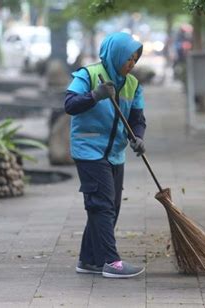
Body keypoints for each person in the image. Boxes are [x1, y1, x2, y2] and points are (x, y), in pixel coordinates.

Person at [64, 32, 146, 278]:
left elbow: (137, 119)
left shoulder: (132, 84)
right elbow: (69, 104)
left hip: (115, 153)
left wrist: (138, 137)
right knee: (102, 205)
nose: (130, 64)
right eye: (127, 58)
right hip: (89, 149)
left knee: (111, 206)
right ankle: (111, 261)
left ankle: (88, 260)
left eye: (134, 59)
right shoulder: (88, 75)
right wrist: (95, 95)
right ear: (115, 54)